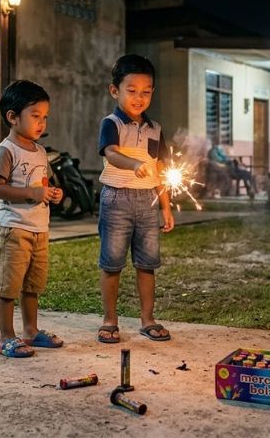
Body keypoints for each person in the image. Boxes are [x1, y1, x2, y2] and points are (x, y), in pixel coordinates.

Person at [96, 54, 174, 344]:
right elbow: (111, 153)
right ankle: (109, 320)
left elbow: (163, 168)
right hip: (116, 199)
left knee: (147, 263)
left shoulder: (155, 129)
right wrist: (133, 165)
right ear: (114, 90)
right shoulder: (112, 123)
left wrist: (165, 206)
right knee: (112, 262)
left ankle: (148, 320)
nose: (139, 98)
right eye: (131, 91)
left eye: (146, 91)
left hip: (147, 203)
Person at [0, 80, 64, 358]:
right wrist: (32, 192)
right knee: (9, 285)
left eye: (44, 117)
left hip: (38, 229)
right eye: (35, 116)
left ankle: (30, 331)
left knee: (32, 285)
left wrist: (51, 193)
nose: (41, 123)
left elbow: (39, 184)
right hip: (14, 228)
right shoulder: (6, 150)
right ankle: (6, 336)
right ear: (12, 116)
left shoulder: (41, 151)